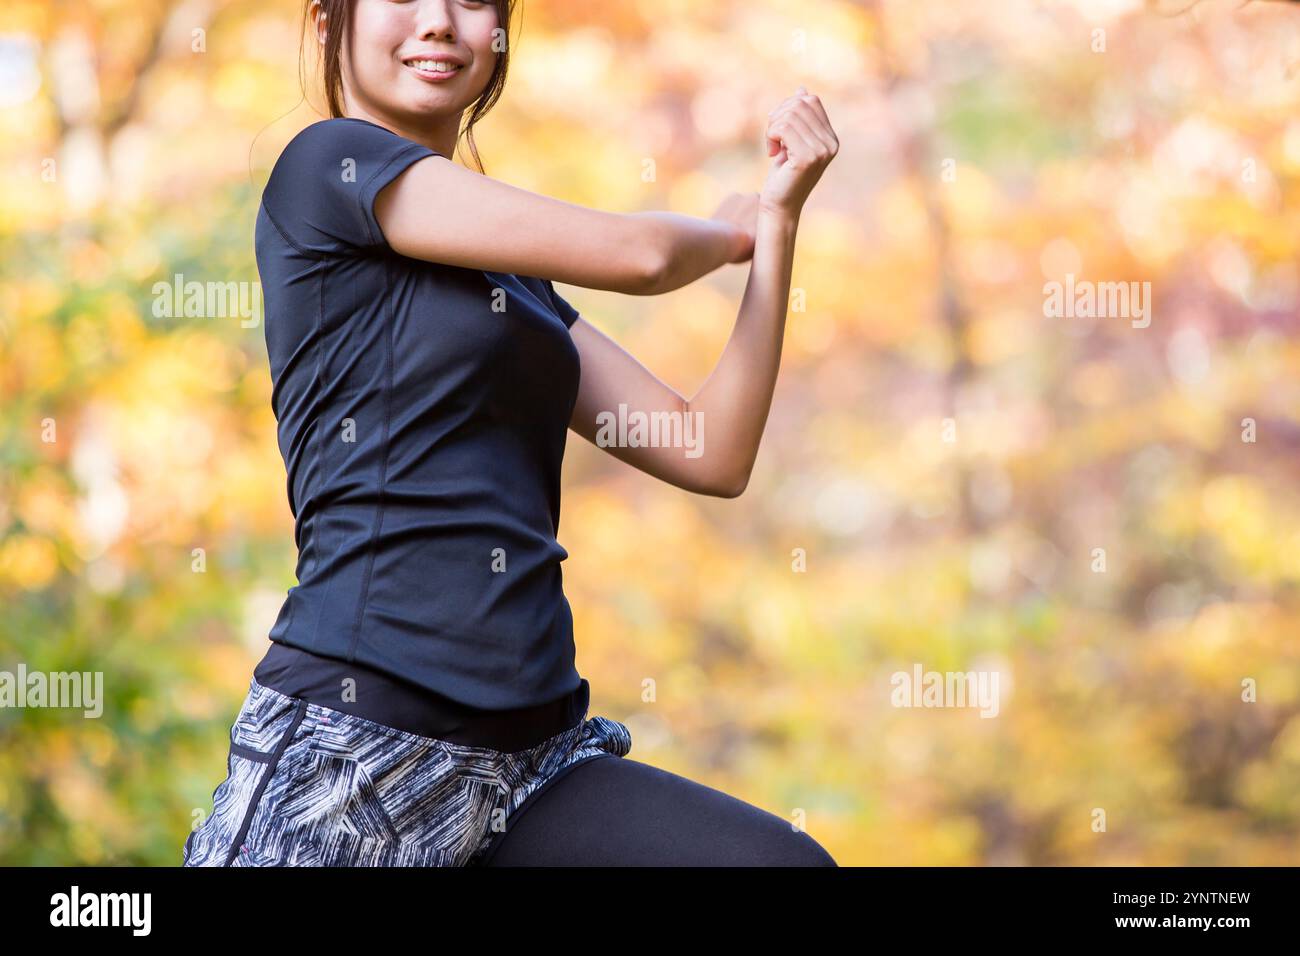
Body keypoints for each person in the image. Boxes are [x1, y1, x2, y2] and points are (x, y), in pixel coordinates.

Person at [182, 0, 839, 867]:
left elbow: (708, 450)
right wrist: (727, 232)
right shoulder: (325, 164)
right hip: (356, 755)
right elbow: (641, 257)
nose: (439, 22)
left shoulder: (512, 289)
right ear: (327, 22)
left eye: (471, 0)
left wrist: (780, 220)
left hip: (534, 763)